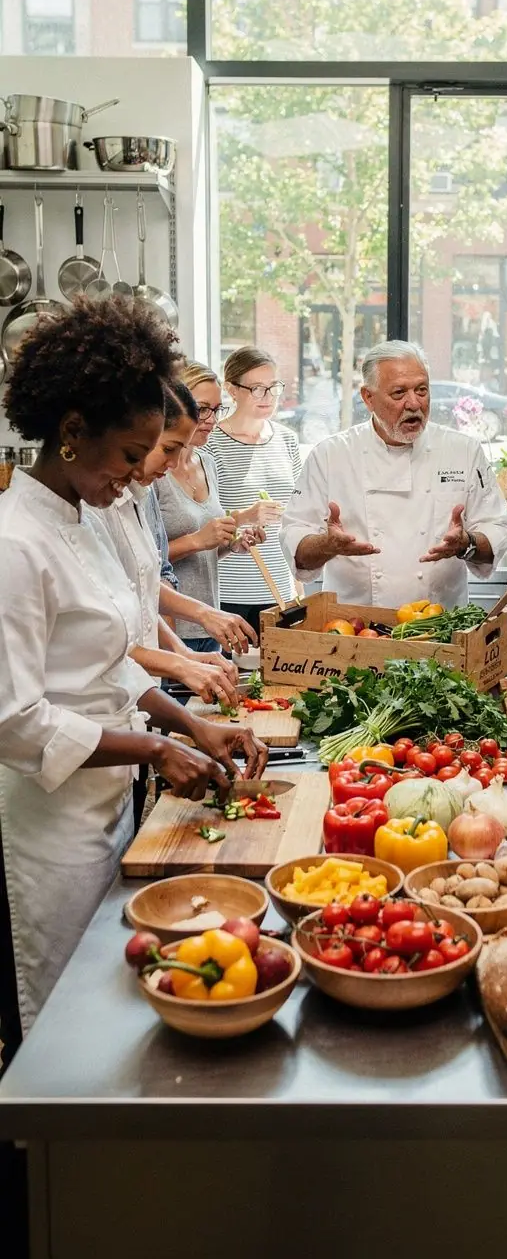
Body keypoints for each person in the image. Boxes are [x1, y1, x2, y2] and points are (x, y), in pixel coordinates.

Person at [0, 298, 267, 1045]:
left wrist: (188, 722)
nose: (139, 476)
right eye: (130, 455)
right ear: (72, 431)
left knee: (113, 997)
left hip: (108, 794)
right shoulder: (16, 544)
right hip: (49, 821)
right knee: (63, 1020)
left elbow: (108, 662)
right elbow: (14, 719)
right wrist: (155, 746)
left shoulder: (81, 519)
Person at [280, 340, 507, 608]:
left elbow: (499, 528)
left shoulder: (463, 451)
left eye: (422, 390)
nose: (414, 403)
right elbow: (294, 538)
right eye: (399, 393)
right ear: (368, 398)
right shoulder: (330, 455)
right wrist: (328, 545)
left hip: (440, 627)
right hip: (356, 630)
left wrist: (467, 544)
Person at [90, 380, 240, 708]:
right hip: (105, 707)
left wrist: (181, 652)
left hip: (140, 693)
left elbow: (142, 593)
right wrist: (179, 659)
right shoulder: (90, 510)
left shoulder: (137, 496)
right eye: (168, 449)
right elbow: (96, 637)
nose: (172, 464)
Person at [158, 360, 265, 653]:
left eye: (217, 410)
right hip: (170, 627)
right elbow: (138, 560)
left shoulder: (207, 462)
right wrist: (197, 540)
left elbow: (204, 551)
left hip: (211, 621)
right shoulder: (154, 471)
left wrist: (232, 543)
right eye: (202, 408)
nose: (211, 419)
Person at [206, 346, 302, 635]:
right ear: (231, 389)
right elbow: (202, 523)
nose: (268, 397)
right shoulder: (211, 444)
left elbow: (299, 516)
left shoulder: (287, 440)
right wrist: (248, 515)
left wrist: (299, 586)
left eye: (273, 387)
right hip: (229, 594)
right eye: (257, 389)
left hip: (281, 592)